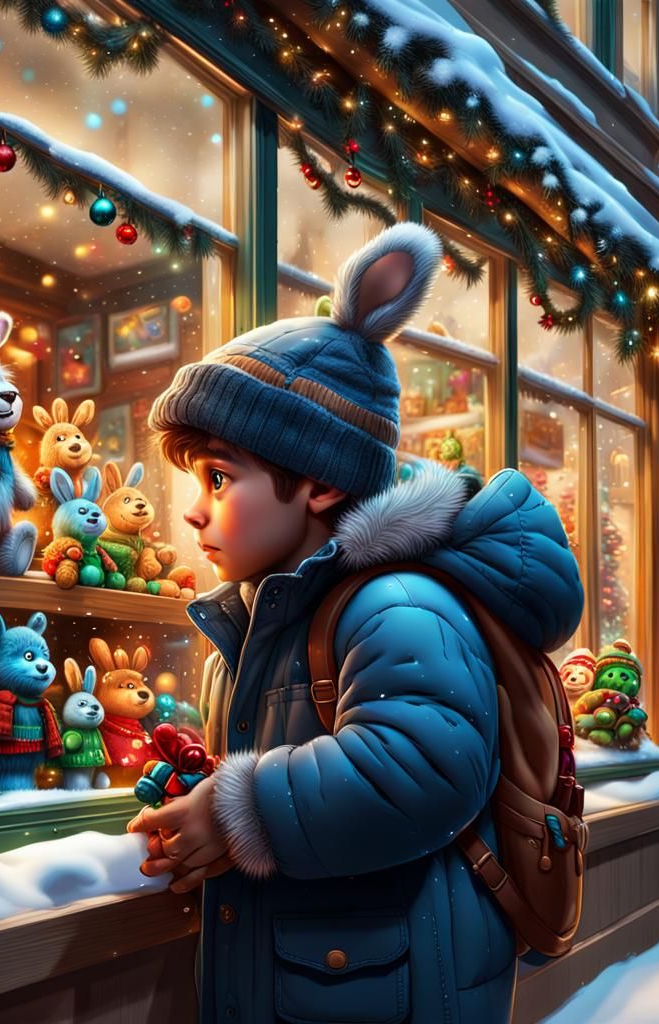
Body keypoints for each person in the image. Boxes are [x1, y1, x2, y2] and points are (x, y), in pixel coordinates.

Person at [126, 223, 584, 1023]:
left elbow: (422, 767)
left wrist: (235, 814)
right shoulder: (262, 618)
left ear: (321, 485)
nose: (195, 508)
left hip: (393, 989)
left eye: (220, 476)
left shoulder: (394, 605)